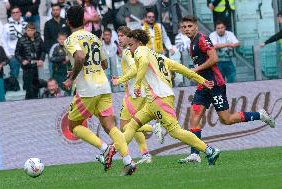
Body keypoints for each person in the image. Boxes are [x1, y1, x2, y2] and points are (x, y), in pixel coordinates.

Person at [110, 29, 221, 167]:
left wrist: (137, 85)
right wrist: (201, 80)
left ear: (138, 43)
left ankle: (209, 150)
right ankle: (112, 150)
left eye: (131, 45)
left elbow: (143, 63)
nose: (129, 49)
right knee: (132, 125)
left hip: (159, 98)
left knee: (175, 131)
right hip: (154, 100)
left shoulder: (140, 51)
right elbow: (182, 68)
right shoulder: (159, 56)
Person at [178, 16, 275, 163]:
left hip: (215, 84)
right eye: (184, 27)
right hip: (204, 85)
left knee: (227, 119)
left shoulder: (202, 39)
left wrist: (196, 69)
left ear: (196, 27)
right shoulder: (191, 43)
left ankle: (259, 115)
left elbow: (214, 58)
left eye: (189, 26)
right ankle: (195, 154)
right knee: (194, 117)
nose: (187, 29)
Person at [62, 6, 136, 176]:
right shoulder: (94, 38)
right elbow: (104, 64)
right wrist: (77, 69)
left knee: (73, 125)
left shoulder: (70, 40)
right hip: (103, 86)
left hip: (87, 89)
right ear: (83, 20)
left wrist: (71, 77)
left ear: (67, 21)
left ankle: (105, 149)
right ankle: (128, 161)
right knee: (110, 126)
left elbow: (80, 57)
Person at [111, 26, 164, 164]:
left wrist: (120, 80)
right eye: (118, 36)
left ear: (129, 37)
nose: (119, 38)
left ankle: (154, 128)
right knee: (132, 125)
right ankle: (145, 154)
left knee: (126, 126)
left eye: (122, 36)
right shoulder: (132, 51)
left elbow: (134, 69)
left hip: (134, 93)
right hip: (139, 90)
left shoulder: (128, 52)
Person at [15, 23, 45, 100]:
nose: (30, 32)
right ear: (25, 31)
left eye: (32, 30)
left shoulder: (38, 38)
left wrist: (41, 59)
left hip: (37, 66)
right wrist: (22, 60)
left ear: (34, 30)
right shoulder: (21, 40)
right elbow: (17, 53)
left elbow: (43, 50)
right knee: (29, 89)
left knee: (36, 88)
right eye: (28, 30)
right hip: (27, 67)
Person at [1, 6, 27, 82]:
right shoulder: (6, 26)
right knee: (15, 71)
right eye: (13, 12)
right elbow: (3, 41)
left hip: (25, 53)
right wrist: (8, 54)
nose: (15, 14)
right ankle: (13, 85)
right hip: (13, 54)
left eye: (17, 12)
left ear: (20, 13)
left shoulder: (26, 25)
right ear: (11, 14)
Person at [44, 3, 71, 76]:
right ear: (51, 11)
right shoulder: (48, 24)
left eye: (57, 10)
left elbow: (70, 36)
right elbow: (46, 39)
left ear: (60, 10)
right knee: (53, 76)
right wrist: (50, 52)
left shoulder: (66, 22)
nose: (55, 11)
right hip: (54, 54)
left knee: (68, 77)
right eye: (54, 10)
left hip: (66, 54)